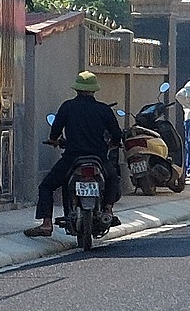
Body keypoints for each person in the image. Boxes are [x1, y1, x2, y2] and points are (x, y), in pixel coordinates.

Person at [24, 71, 122, 237]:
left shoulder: (68, 107)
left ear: (77, 89)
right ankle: (107, 210)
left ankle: (46, 224)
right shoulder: (103, 109)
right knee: (112, 179)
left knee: (46, 186)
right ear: (94, 90)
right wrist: (112, 144)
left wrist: (54, 140)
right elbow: (116, 133)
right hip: (98, 158)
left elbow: (55, 131)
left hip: (72, 158)